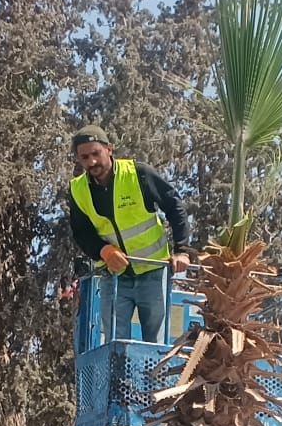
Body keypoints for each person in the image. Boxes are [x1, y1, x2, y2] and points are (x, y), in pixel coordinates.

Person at [67, 124, 190, 342]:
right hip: (114, 276)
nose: (92, 162)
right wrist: (103, 250)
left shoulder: (139, 174)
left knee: (156, 344)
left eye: (96, 153)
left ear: (109, 149)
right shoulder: (77, 190)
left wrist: (182, 250)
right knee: (115, 344)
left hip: (154, 272)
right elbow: (81, 231)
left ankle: (155, 378)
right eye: (85, 157)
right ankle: (118, 378)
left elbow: (174, 206)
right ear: (78, 160)